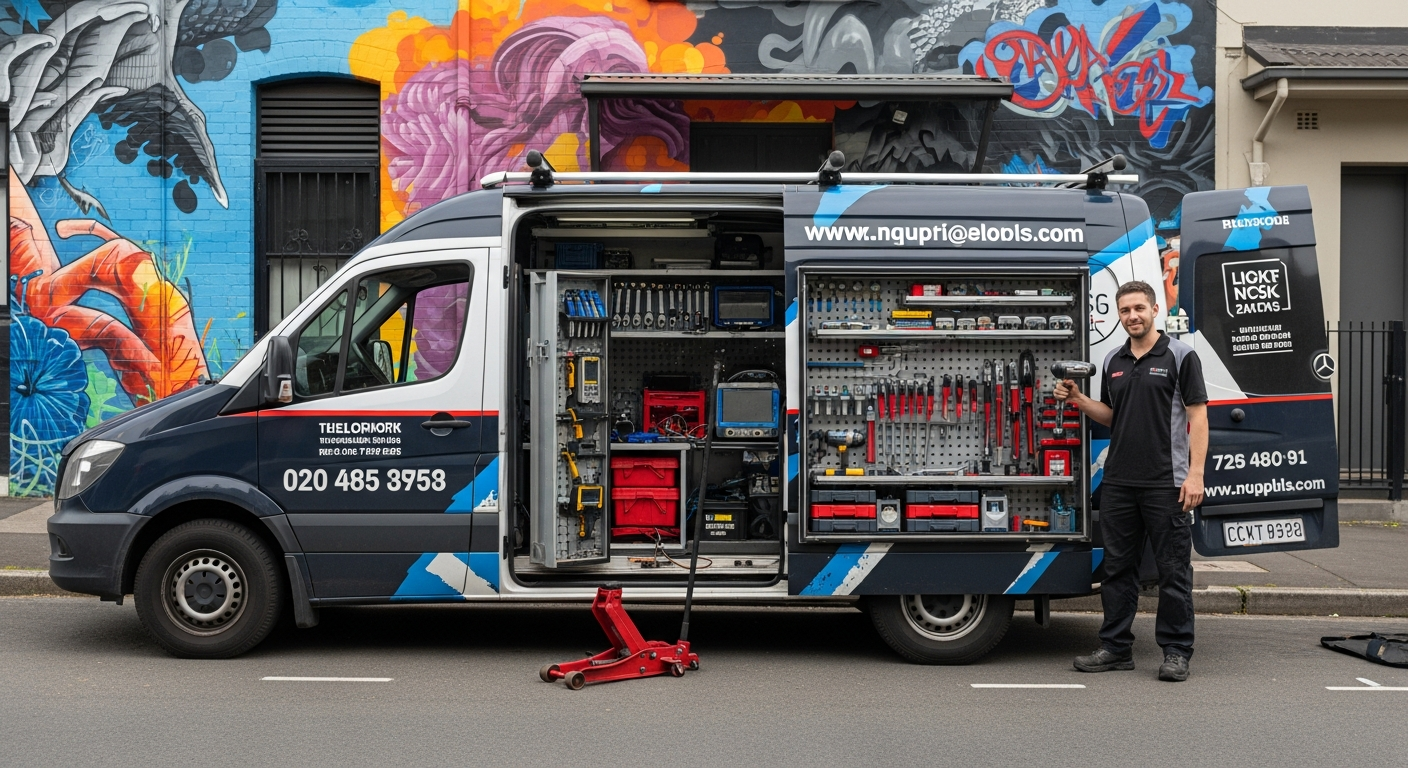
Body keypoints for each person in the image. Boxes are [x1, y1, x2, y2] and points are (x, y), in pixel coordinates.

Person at [1056, 280, 1208, 682]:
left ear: (1155, 310)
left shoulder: (1180, 356)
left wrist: (1195, 475)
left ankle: (1176, 651)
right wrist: (1079, 400)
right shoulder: (1113, 360)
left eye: (1139, 308)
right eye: (1125, 310)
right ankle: (1116, 648)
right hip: (1120, 482)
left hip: (1167, 483)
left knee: (1173, 571)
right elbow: (1113, 416)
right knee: (1117, 570)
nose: (1132, 316)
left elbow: (1198, 417)